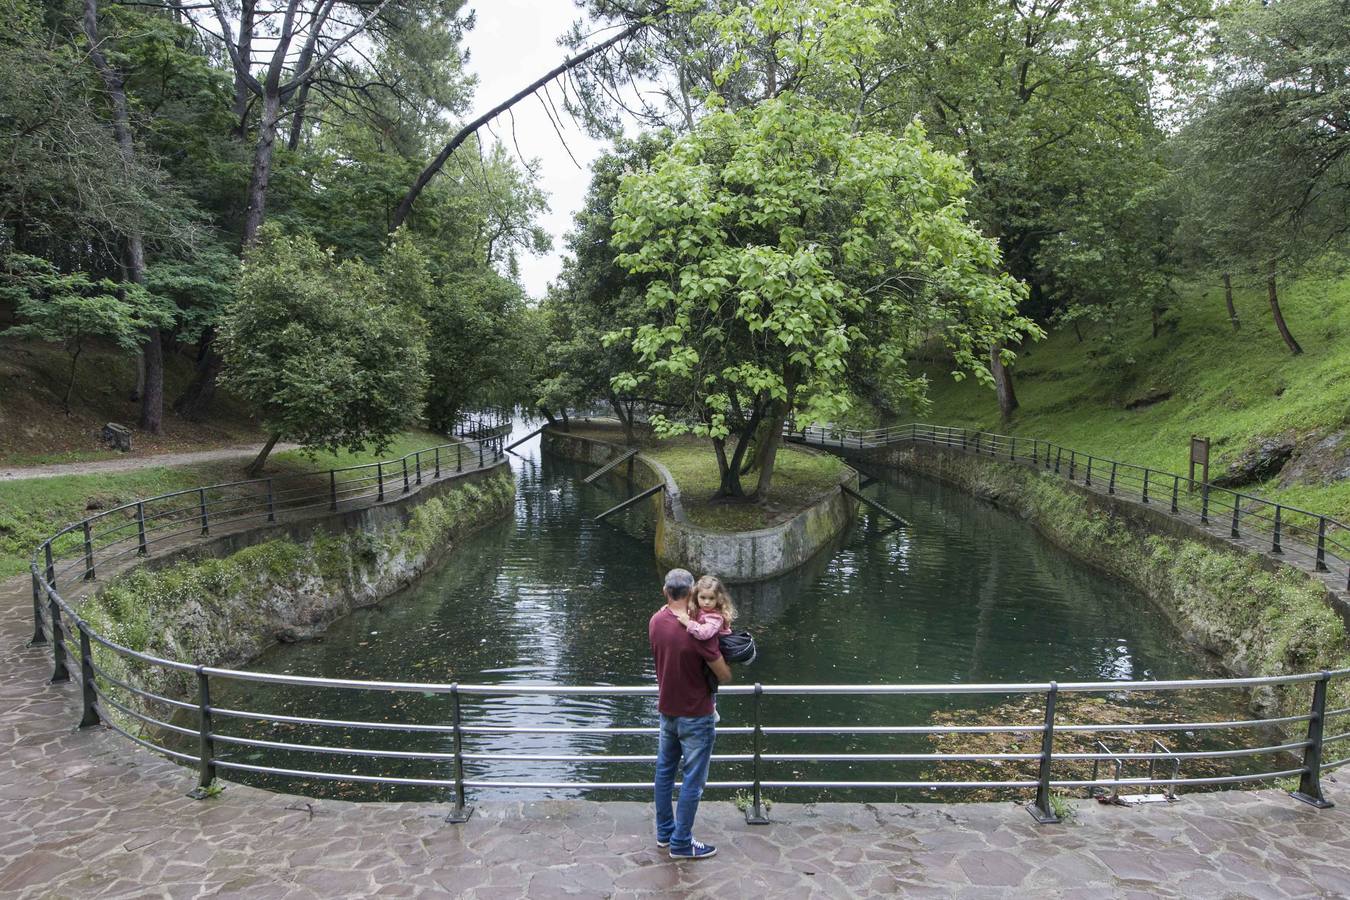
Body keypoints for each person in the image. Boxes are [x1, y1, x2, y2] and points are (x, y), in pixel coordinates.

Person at [649, 567, 731, 860]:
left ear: (665, 592)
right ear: (693, 592)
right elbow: (723, 674)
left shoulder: (656, 621)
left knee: (664, 773)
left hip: (667, 710)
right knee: (693, 780)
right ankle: (682, 842)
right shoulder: (698, 630)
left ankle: (664, 834)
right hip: (696, 713)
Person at [673, 574, 735, 722]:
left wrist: (688, 623)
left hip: (716, 654)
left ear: (718, 599)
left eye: (711, 598)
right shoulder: (699, 609)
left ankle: (712, 709)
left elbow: (704, 633)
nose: (706, 602)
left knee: (710, 680)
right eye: (703, 598)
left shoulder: (715, 617)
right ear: (696, 596)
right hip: (704, 654)